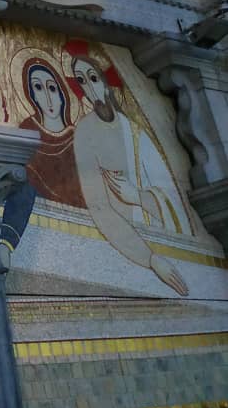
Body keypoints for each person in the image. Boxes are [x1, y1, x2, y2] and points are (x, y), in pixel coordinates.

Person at [70, 47, 189, 295]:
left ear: (105, 84)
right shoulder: (85, 133)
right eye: (81, 81)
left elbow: (175, 204)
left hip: (166, 241)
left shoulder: (135, 133)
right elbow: (100, 208)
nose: (90, 87)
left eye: (93, 78)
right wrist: (150, 259)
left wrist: (138, 197)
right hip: (131, 247)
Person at [0, 58, 78, 259]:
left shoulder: (77, 138)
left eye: (52, 88)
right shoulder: (28, 128)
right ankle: (5, 245)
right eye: (38, 88)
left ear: (62, 94)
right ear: (32, 95)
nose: (48, 97)